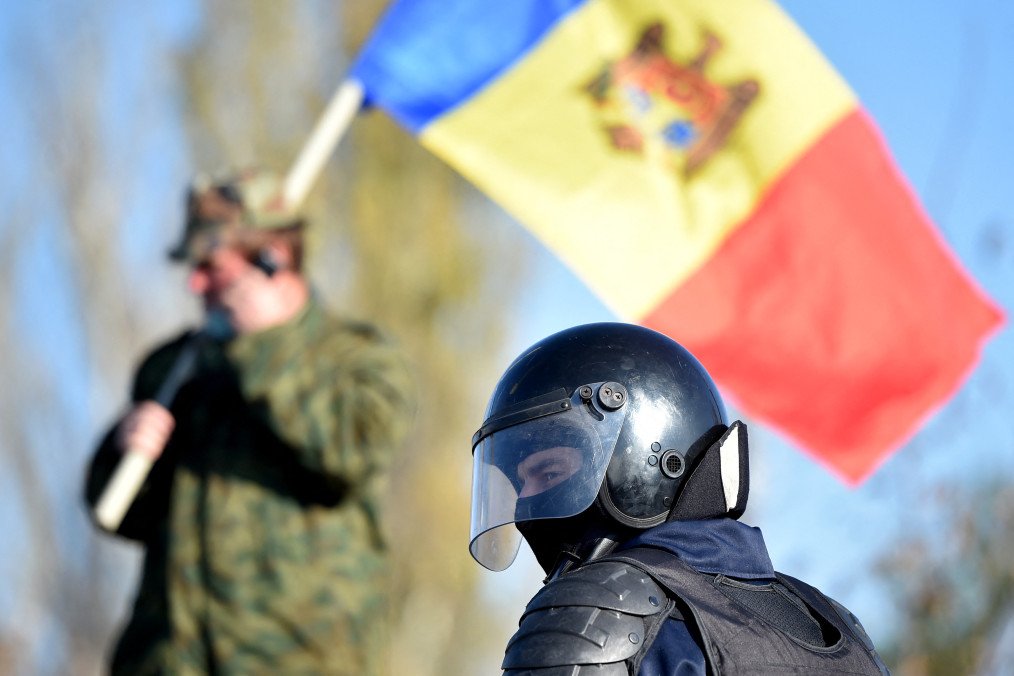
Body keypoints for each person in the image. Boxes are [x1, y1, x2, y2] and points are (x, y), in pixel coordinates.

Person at [84, 167, 415, 675]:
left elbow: (350, 455)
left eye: (210, 265)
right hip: (169, 659)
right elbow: (124, 514)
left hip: (295, 659)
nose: (194, 282)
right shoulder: (173, 367)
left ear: (272, 261)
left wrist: (264, 348)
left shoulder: (356, 358)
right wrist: (122, 449)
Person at [468, 322, 890, 675]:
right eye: (517, 484)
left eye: (549, 472)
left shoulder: (599, 617)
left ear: (646, 457)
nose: (526, 504)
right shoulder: (845, 632)